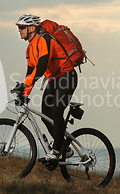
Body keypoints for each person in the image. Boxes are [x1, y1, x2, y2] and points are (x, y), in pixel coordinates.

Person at [15, 14, 78, 161]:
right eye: (18, 28)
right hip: (54, 80)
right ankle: (64, 149)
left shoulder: (45, 39)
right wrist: (25, 93)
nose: (19, 30)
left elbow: (41, 67)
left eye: (22, 27)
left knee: (56, 110)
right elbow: (30, 73)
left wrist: (25, 85)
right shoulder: (30, 49)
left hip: (67, 77)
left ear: (32, 28)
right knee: (45, 115)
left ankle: (56, 151)